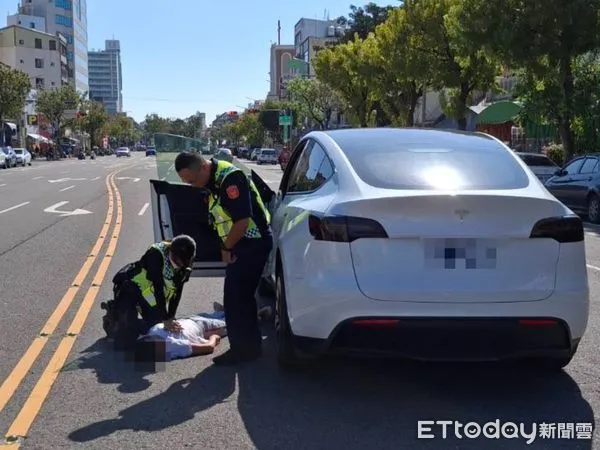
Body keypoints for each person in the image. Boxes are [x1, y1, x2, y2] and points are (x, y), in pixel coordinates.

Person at [174, 151, 272, 365]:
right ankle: (250, 348)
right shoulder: (213, 181)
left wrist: (226, 248)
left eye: (193, 181)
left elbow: (242, 221)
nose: (193, 186)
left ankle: (243, 351)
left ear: (203, 167)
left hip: (250, 243)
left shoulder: (230, 178)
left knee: (236, 300)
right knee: (241, 299)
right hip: (242, 244)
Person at [107, 234, 197, 349]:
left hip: (150, 294)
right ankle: (115, 317)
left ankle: (143, 321)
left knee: (155, 327)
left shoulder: (187, 260)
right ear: (172, 253)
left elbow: (177, 290)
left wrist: (170, 316)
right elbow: (158, 287)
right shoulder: (155, 254)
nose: (183, 265)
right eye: (180, 261)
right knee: (124, 343)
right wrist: (165, 319)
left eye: (186, 261)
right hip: (134, 288)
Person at [134, 312, 227, 363]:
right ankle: (223, 312)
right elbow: (208, 347)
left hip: (197, 324)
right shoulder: (151, 333)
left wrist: (214, 338)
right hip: (194, 322)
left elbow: (208, 348)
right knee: (228, 320)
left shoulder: (170, 345)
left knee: (229, 320)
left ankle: (224, 312)